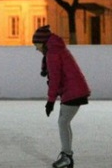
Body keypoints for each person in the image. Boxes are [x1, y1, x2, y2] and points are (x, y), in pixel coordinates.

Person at [32, 25, 91, 168]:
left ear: (42, 43)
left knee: (63, 122)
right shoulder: (57, 49)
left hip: (73, 91)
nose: (36, 49)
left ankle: (67, 157)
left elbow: (55, 78)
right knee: (64, 122)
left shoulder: (52, 53)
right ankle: (67, 155)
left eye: (36, 45)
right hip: (75, 90)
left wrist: (50, 101)